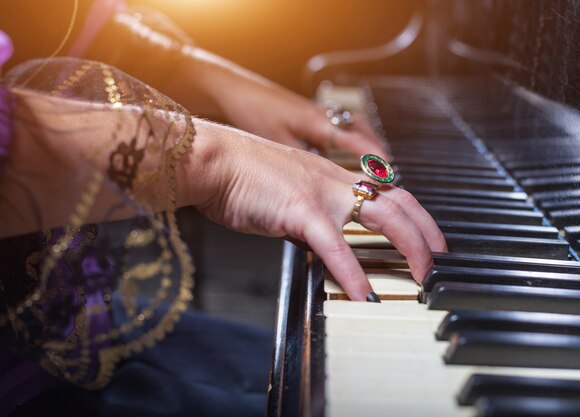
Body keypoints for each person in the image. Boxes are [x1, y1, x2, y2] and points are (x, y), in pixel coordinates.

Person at [0, 1, 446, 416]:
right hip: (23, 377)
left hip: (77, 316)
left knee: (348, 375)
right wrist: (220, 163)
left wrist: (212, 77)